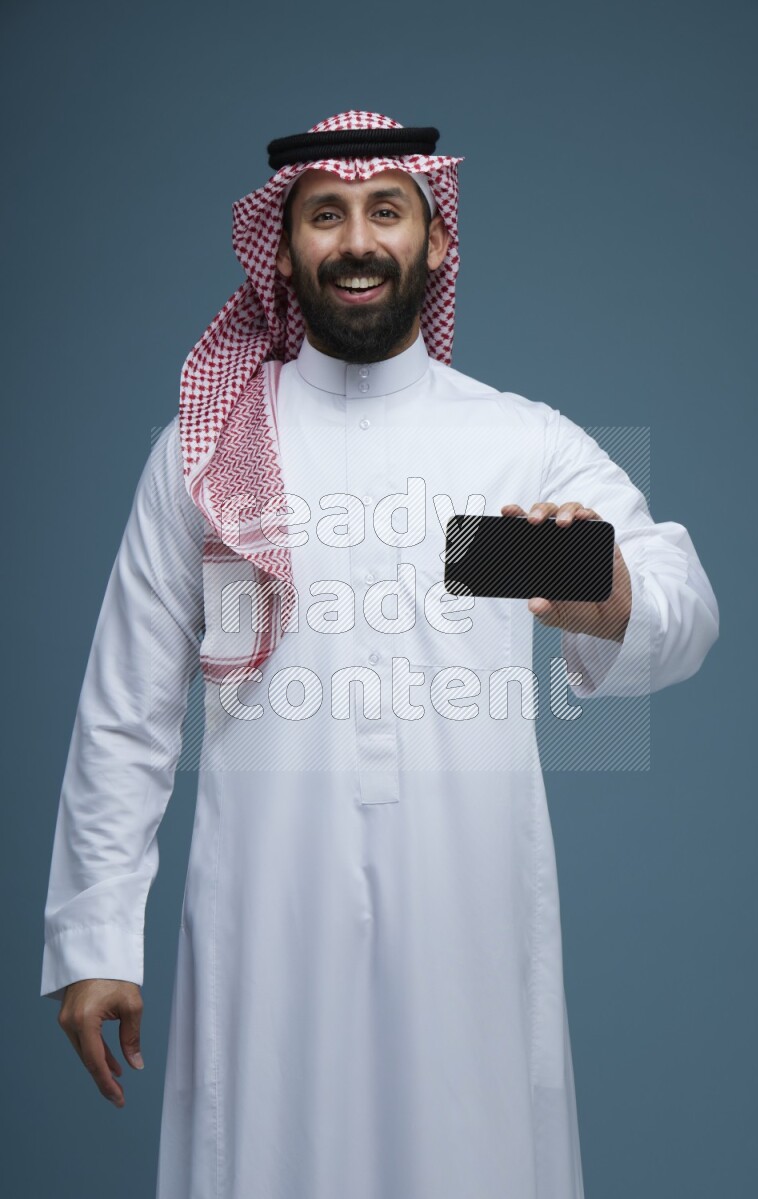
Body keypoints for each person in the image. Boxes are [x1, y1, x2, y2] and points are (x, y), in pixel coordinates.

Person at [41, 111, 719, 1199]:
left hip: (470, 912)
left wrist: (606, 594)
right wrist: (94, 936)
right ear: (283, 248)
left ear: (435, 243)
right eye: (326, 215)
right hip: (267, 910)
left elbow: (686, 602)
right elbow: (125, 708)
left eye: (385, 212)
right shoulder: (206, 455)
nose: (356, 240)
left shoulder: (514, 442)